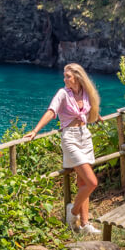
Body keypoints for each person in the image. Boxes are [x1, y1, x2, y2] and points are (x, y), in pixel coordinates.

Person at [25, 63, 102, 234]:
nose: (64, 78)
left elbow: (88, 109)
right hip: (70, 139)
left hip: (85, 136)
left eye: (68, 76)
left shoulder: (85, 91)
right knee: (92, 182)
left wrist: (96, 116)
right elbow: (52, 112)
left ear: (77, 77)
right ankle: (72, 212)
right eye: (64, 76)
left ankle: (84, 224)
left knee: (83, 183)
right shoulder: (62, 93)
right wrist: (35, 131)